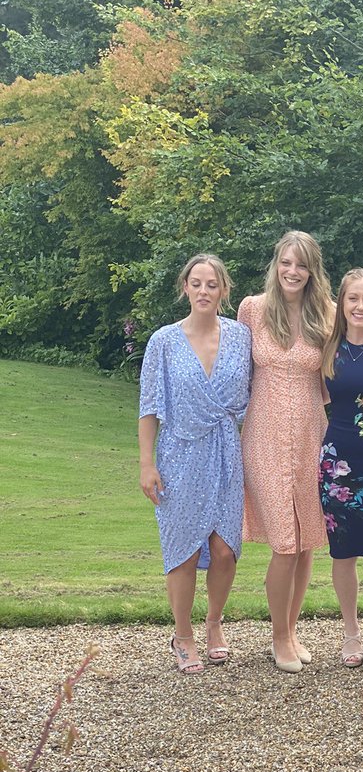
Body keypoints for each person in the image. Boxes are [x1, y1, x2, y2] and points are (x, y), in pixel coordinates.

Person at [138, 254, 251, 674]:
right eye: (197, 283)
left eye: (213, 284)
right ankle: (182, 634)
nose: (204, 291)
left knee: (224, 550)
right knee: (183, 551)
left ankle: (214, 622)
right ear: (184, 286)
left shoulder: (242, 337)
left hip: (226, 454)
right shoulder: (163, 341)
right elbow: (149, 406)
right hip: (178, 455)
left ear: (224, 291)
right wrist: (146, 464)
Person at [238, 231, 334, 673]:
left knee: (307, 540)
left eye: (301, 265)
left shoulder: (327, 315)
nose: (293, 272)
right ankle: (278, 638)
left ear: (312, 271)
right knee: (284, 541)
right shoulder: (253, 310)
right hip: (265, 433)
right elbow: (234, 371)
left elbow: (338, 378)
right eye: (285, 263)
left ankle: (293, 630)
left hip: (313, 433)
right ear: (276, 265)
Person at [319, 268, 363, 667]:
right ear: (341, 303)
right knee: (342, 552)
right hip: (337, 458)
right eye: (353, 299)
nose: (360, 306)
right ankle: (350, 633)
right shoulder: (327, 346)